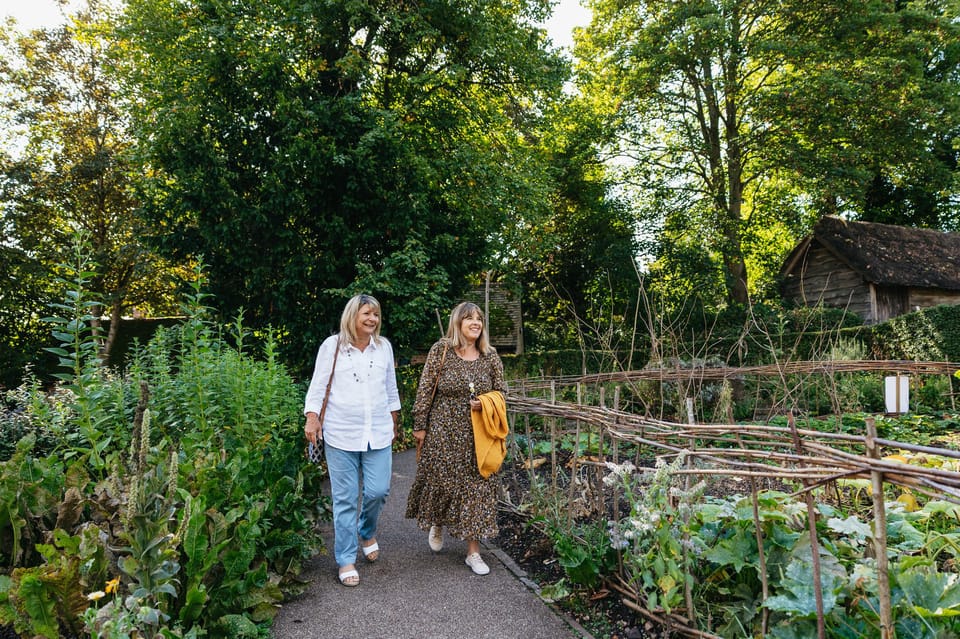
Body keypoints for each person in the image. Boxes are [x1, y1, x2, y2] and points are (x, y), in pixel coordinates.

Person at [304, 294, 401, 587]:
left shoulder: (383, 347)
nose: (372, 319)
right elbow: (318, 384)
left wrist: (395, 422)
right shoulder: (332, 346)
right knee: (344, 499)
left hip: (379, 432)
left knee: (378, 490)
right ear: (352, 316)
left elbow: (391, 389)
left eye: (376, 314)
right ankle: (346, 558)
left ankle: (366, 529)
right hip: (340, 434)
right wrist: (312, 416)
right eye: (367, 314)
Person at [405, 301, 508, 575]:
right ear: (457, 323)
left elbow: (503, 394)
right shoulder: (441, 351)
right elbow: (426, 389)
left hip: (479, 436)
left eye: (479, 319)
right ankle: (439, 521)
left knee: (477, 489)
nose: (475, 323)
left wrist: (486, 402)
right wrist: (419, 425)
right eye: (469, 318)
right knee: (443, 482)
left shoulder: (491, 356)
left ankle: (473, 552)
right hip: (443, 432)